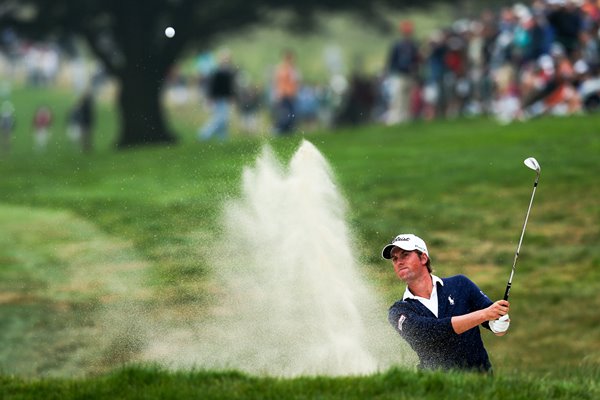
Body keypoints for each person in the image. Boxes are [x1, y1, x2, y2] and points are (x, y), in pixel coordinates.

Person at [383, 233, 510, 373]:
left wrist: (500, 323)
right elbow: (431, 332)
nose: (399, 262)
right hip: (435, 387)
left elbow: (493, 321)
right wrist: (484, 315)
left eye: (405, 255)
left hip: (480, 381)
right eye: (394, 259)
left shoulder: (460, 284)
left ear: (423, 257)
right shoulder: (398, 311)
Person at [198, 49, 236, 141]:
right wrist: (210, 98)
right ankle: (204, 134)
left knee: (223, 120)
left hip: (224, 98)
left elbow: (230, 88)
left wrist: (232, 97)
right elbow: (213, 87)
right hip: (218, 99)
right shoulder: (217, 71)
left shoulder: (229, 71)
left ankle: (222, 139)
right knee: (220, 119)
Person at [273, 49, 300, 135]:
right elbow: (279, 83)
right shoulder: (283, 69)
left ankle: (288, 131)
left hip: (290, 95)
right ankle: (279, 130)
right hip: (285, 95)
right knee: (286, 115)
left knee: (292, 115)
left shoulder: (292, 69)